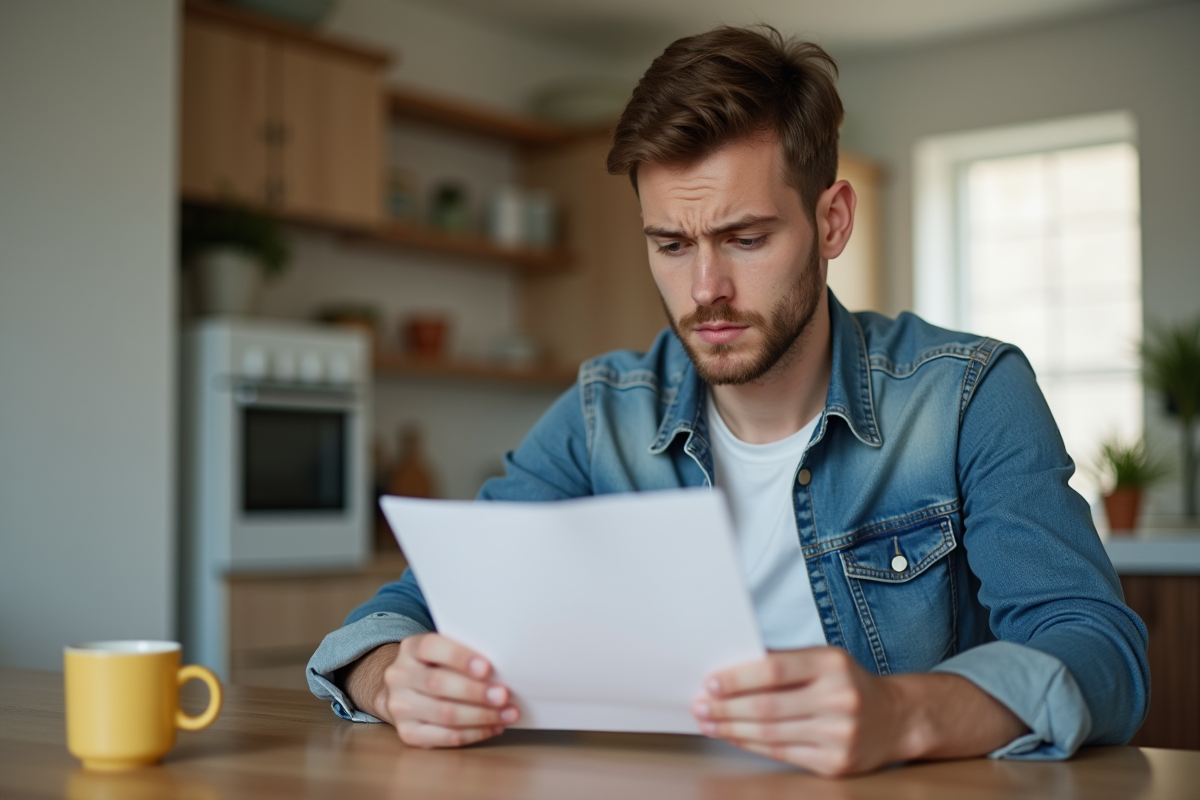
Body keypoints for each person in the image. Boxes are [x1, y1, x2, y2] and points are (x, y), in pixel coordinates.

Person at [306, 25, 1148, 777]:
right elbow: (408, 609)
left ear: (832, 222)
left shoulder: (967, 397)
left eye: (745, 239)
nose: (705, 289)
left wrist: (905, 713)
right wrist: (389, 677)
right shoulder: (604, 414)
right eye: (670, 244)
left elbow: (1100, 653)